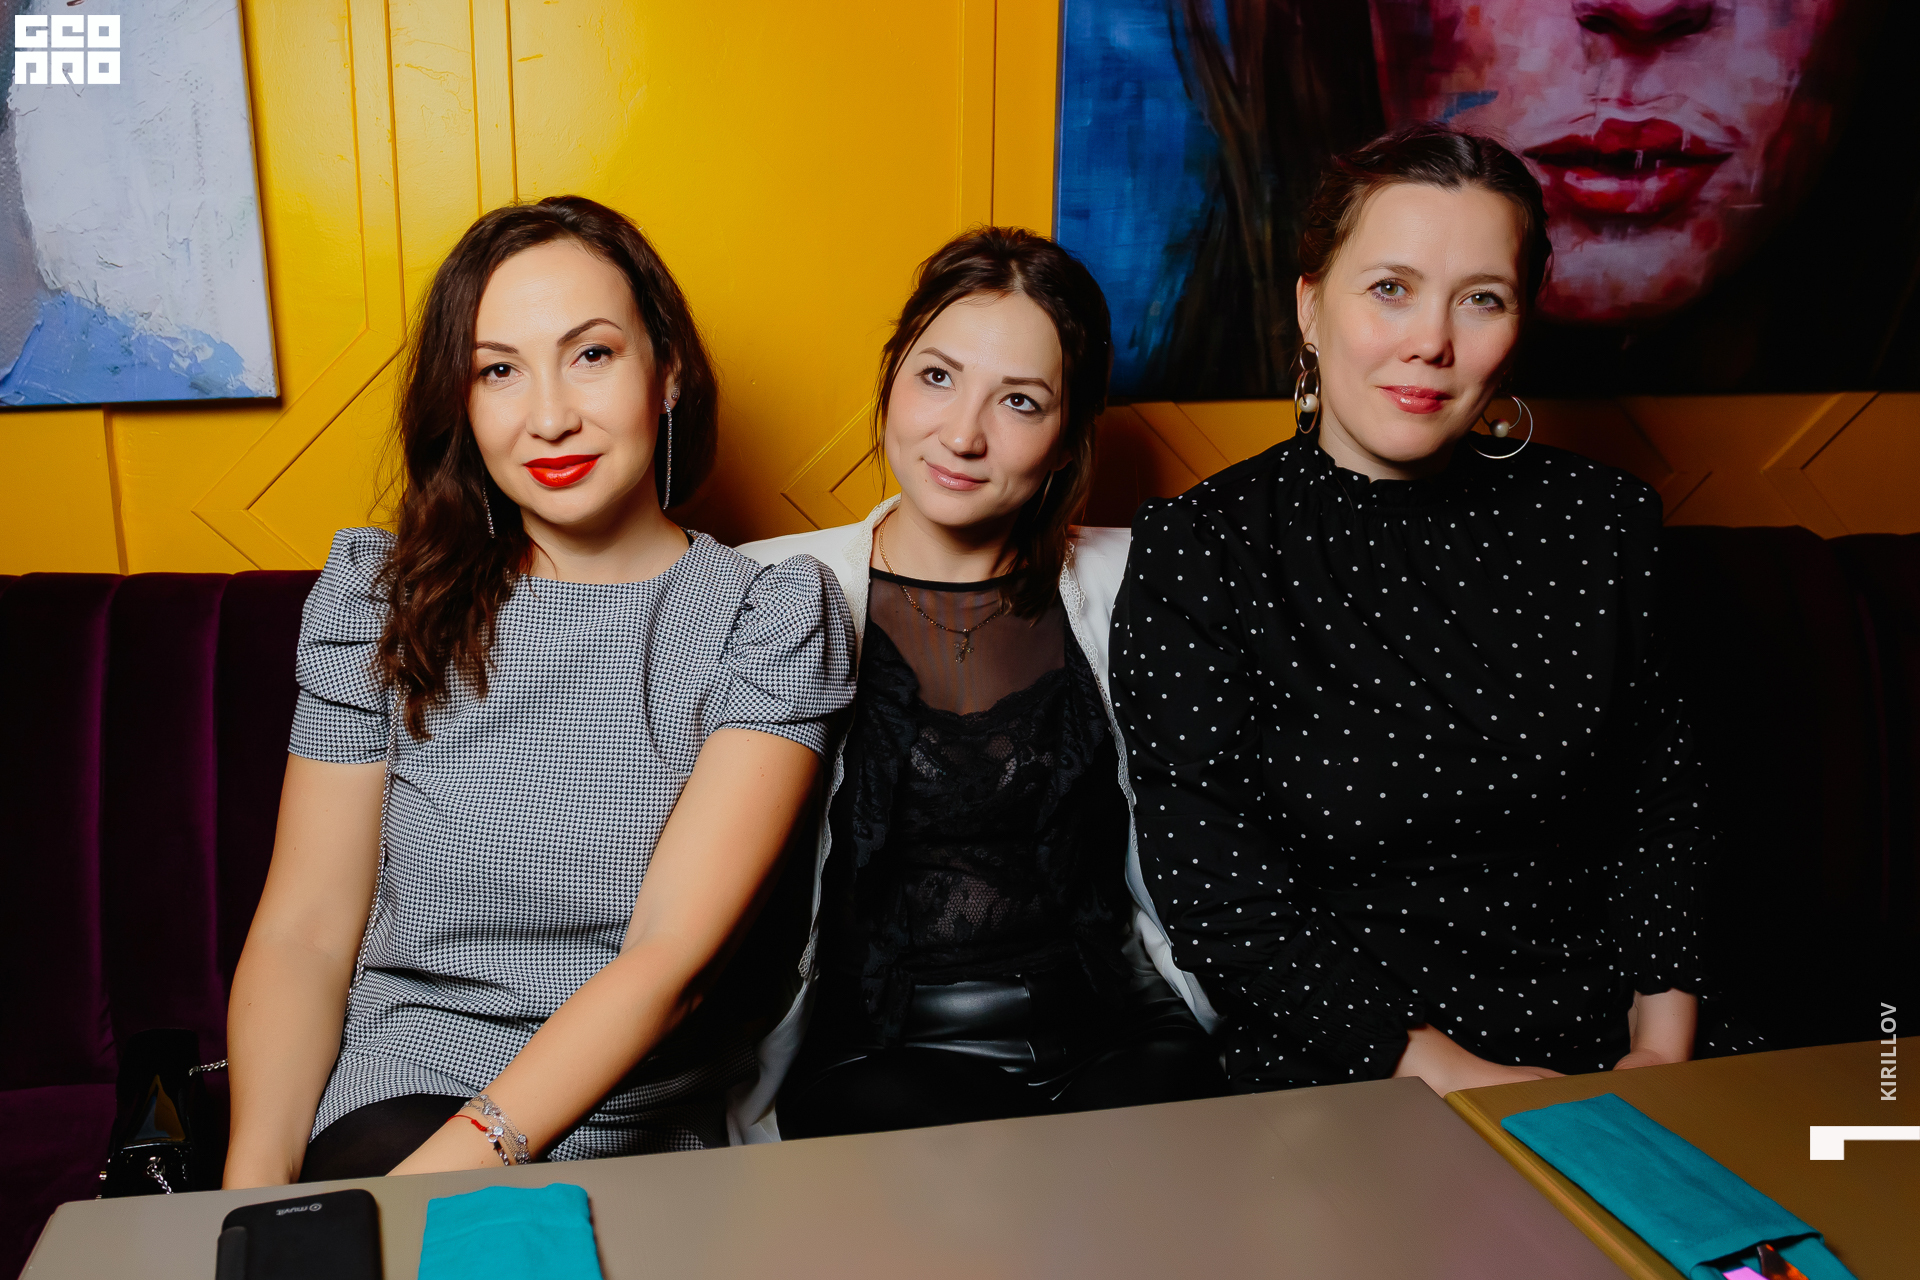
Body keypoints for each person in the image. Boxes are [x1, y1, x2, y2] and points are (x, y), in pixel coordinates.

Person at [222, 196, 856, 1185]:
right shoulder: (377, 598)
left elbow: (668, 960)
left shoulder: (768, 617)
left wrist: (426, 1187)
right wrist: (252, 1195)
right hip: (408, 1088)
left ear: (669, 371)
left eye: (591, 354)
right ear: (462, 401)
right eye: (499, 370)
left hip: (637, 1122)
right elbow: (304, 931)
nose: (550, 416)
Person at [1115, 125, 1750, 1096]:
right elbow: (1220, 897)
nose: (1432, 342)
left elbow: (1662, 810)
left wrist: (1659, 1052)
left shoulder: (1603, 520)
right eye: (1390, 288)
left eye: (1482, 298)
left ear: (1522, 321)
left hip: (1614, 1050)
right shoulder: (1203, 547)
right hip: (1354, 1067)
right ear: (1310, 308)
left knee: (1842, 1160)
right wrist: (1466, 1079)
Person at [738, 228, 1226, 1138]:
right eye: (937, 377)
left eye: (1021, 401)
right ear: (891, 376)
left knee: (1172, 1161)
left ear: (1069, 436)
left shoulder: (1138, 580)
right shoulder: (768, 588)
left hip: (1120, 1033)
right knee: (983, 1177)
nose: (963, 435)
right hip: (881, 1057)